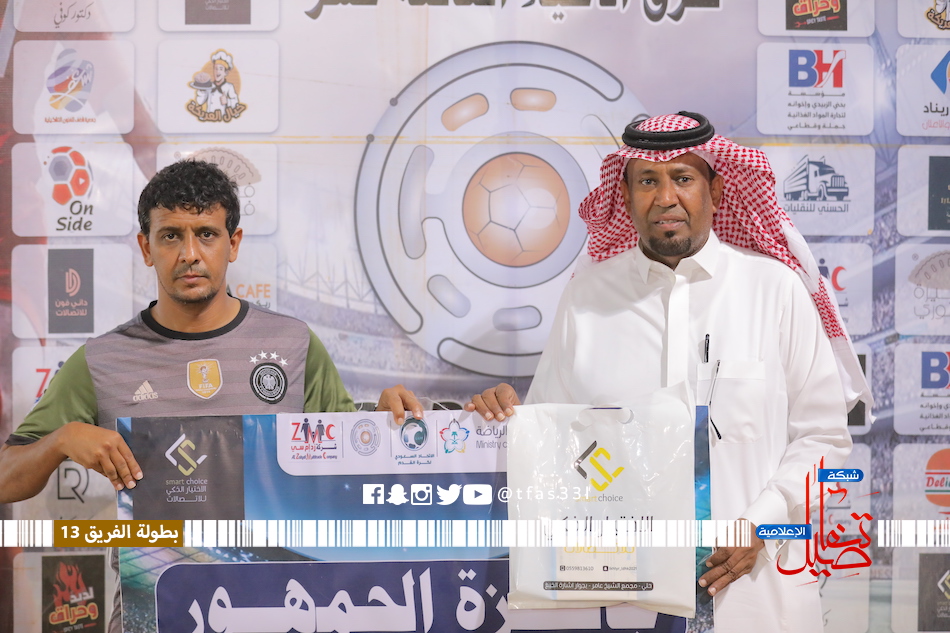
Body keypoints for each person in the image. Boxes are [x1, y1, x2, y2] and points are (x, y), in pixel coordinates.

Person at [465, 112, 871, 632]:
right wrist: (502, 416)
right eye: (647, 181)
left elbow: (826, 439)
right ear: (625, 194)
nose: (665, 198)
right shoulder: (588, 298)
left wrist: (763, 522)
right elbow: (552, 442)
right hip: (619, 600)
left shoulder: (774, 291)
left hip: (754, 598)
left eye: (682, 178)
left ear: (716, 191)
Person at [0, 159, 420, 503]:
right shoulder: (101, 361)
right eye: (170, 236)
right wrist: (61, 439)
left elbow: (353, 463)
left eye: (206, 234)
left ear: (232, 244)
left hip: (275, 582)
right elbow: (5, 479)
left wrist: (385, 426)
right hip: (156, 581)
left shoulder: (294, 345)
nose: (190, 254)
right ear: (146, 248)